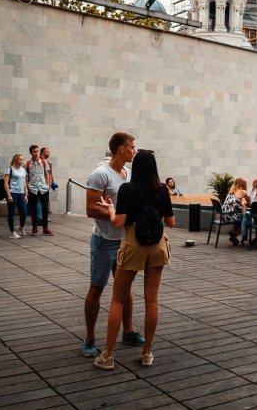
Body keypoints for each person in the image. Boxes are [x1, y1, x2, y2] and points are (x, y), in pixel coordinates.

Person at [93, 149, 175, 370]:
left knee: (118, 300)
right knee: (152, 300)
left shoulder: (127, 189)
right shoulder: (162, 190)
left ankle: (108, 356)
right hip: (157, 245)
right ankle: (147, 352)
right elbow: (171, 221)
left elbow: (118, 223)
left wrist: (110, 209)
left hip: (133, 244)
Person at [82, 132, 144, 358]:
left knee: (125, 288)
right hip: (104, 242)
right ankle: (89, 338)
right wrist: (117, 215)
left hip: (126, 241)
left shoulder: (129, 174)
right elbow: (90, 209)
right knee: (96, 288)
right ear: (121, 149)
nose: (134, 151)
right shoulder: (100, 175)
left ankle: (127, 331)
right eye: (132, 147)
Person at [25, 144, 53, 236]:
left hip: (43, 188)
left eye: (37, 151)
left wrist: (47, 185)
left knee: (45, 209)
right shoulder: (27, 164)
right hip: (33, 188)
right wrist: (27, 188)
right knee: (33, 209)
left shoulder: (44, 162)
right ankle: (35, 228)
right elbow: (25, 177)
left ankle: (45, 228)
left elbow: (47, 174)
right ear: (31, 153)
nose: (36, 153)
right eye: (34, 151)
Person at [3, 153, 28, 239]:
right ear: (15, 160)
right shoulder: (9, 169)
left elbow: (24, 182)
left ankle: (21, 227)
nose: (22, 161)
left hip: (21, 194)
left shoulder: (23, 170)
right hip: (12, 193)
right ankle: (12, 232)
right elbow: (5, 183)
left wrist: (26, 194)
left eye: (22, 159)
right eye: (20, 159)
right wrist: (8, 195)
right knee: (11, 213)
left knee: (24, 212)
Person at [221, 178, 249, 246]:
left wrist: (242, 204)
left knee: (240, 217)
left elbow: (233, 204)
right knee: (246, 220)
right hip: (232, 216)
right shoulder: (242, 191)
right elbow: (249, 201)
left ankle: (234, 233)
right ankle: (234, 234)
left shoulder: (231, 191)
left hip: (224, 215)